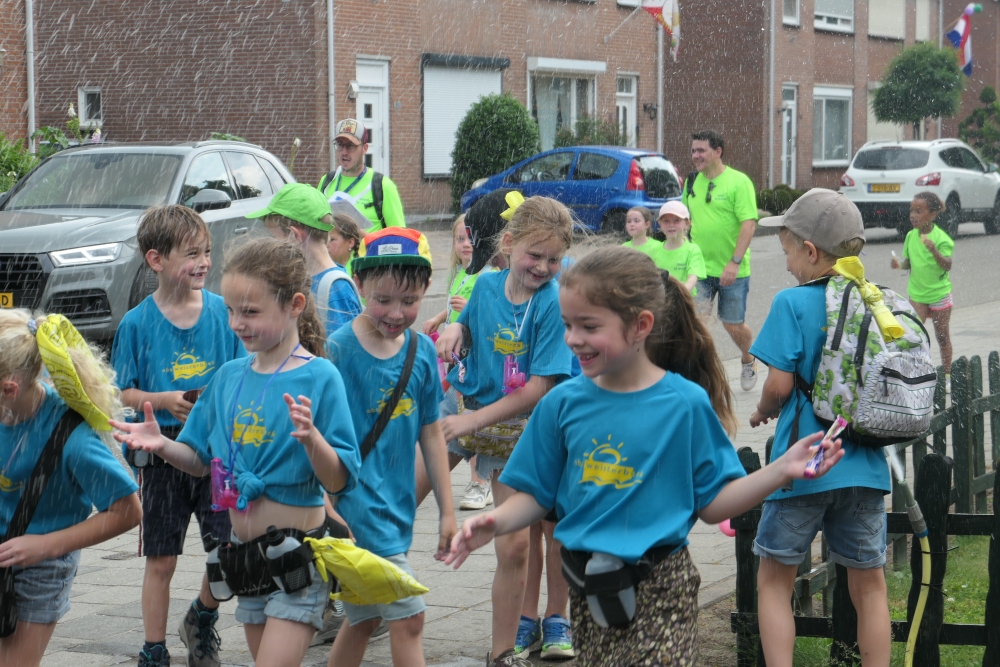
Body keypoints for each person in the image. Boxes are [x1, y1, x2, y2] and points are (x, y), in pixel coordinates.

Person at [445, 246, 844, 666]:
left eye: (589, 325)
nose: (573, 338)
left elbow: (713, 505)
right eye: (567, 324)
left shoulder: (684, 404)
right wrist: (496, 521)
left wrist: (781, 470)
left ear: (641, 326)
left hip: (662, 584)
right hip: (589, 590)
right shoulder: (560, 405)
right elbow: (536, 495)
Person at [112, 237, 362, 667]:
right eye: (230, 310)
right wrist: (163, 444)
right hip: (247, 564)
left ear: (295, 305)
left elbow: (339, 480)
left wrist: (312, 440)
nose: (235, 323)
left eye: (250, 312)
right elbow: (198, 462)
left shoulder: (321, 377)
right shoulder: (227, 377)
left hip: (297, 560)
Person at [749, 189, 892, 667]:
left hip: (804, 466)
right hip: (865, 467)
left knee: (774, 581)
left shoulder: (792, 303)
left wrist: (762, 411)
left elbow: (779, 387)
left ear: (810, 251)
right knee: (870, 588)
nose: (788, 264)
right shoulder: (875, 300)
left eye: (788, 252)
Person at [436, 194, 575, 667]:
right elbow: (469, 323)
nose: (543, 267)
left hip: (538, 431)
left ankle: (552, 618)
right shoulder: (486, 285)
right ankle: (521, 621)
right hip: (488, 420)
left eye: (554, 259)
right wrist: (455, 329)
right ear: (509, 243)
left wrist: (472, 420)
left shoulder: (552, 301)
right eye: (535, 255)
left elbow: (539, 387)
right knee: (521, 537)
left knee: (548, 531)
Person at [110, 205, 244, 667]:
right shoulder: (136, 324)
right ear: (156, 260)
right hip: (160, 456)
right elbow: (121, 391)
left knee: (228, 552)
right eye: (192, 254)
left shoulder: (223, 315)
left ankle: (201, 617)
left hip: (217, 453)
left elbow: (243, 373)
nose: (204, 262)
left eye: (207, 251)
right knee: (161, 560)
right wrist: (164, 399)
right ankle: (154, 649)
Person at [326, 227, 457, 667]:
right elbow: (319, 438)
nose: (396, 313)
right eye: (383, 299)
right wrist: (325, 507)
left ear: (427, 289)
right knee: (409, 617)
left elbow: (431, 433)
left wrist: (448, 510)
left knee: (363, 619)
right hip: (355, 510)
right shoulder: (337, 352)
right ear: (358, 284)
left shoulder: (421, 351)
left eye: (410, 301)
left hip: (396, 509)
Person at [0, 310, 142, 667]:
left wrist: (45, 546)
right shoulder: (6, 409)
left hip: (42, 564)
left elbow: (128, 512)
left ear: (9, 389)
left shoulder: (72, 437)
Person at [422, 215, 493, 510]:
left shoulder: (485, 276)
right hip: (457, 359)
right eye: (460, 238)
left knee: (471, 419)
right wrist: (440, 317)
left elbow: (489, 314)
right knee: (458, 418)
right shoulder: (461, 274)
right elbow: (452, 304)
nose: (466, 244)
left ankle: (480, 483)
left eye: (471, 238)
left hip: (474, 359)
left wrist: (468, 310)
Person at [683, 130, 759, 390]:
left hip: (732, 270)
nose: (695, 155)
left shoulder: (739, 182)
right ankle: (701, 373)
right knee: (696, 323)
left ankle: (748, 358)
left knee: (732, 325)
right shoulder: (691, 182)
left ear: (718, 152)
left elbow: (749, 224)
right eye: (693, 150)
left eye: (701, 150)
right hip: (699, 269)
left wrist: (734, 262)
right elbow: (684, 220)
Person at [252, 183, 363, 340]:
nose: (273, 245)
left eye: (275, 238)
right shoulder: (303, 278)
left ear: (294, 236)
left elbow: (341, 351)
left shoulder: (335, 289)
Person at [890, 192, 954, 390]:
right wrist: (899, 265)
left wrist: (934, 250)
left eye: (919, 211)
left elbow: (947, 265)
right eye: (912, 211)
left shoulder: (941, 238)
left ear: (933, 214)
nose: (913, 215)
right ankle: (915, 375)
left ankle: (948, 376)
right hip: (917, 294)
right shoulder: (910, 236)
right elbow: (909, 263)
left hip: (939, 294)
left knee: (942, 336)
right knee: (913, 335)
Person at [318, 118, 406, 234]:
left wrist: (363, 238)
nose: (344, 152)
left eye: (351, 146)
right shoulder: (326, 181)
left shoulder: (382, 186)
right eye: (340, 145)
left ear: (365, 149)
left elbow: (399, 237)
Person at [657, 201, 706, 295]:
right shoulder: (654, 249)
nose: (671, 225)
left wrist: (679, 295)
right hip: (660, 299)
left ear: (687, 223)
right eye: (666, 221)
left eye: (676, 220)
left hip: (684, 298)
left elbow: (692, 279)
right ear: (660, 224)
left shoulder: (692, 250)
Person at [329, 212, 363, 277]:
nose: (325, 244)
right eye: (324, 239)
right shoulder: (317, 266)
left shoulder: (362, 267)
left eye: (331, 239)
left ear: (350, 242)